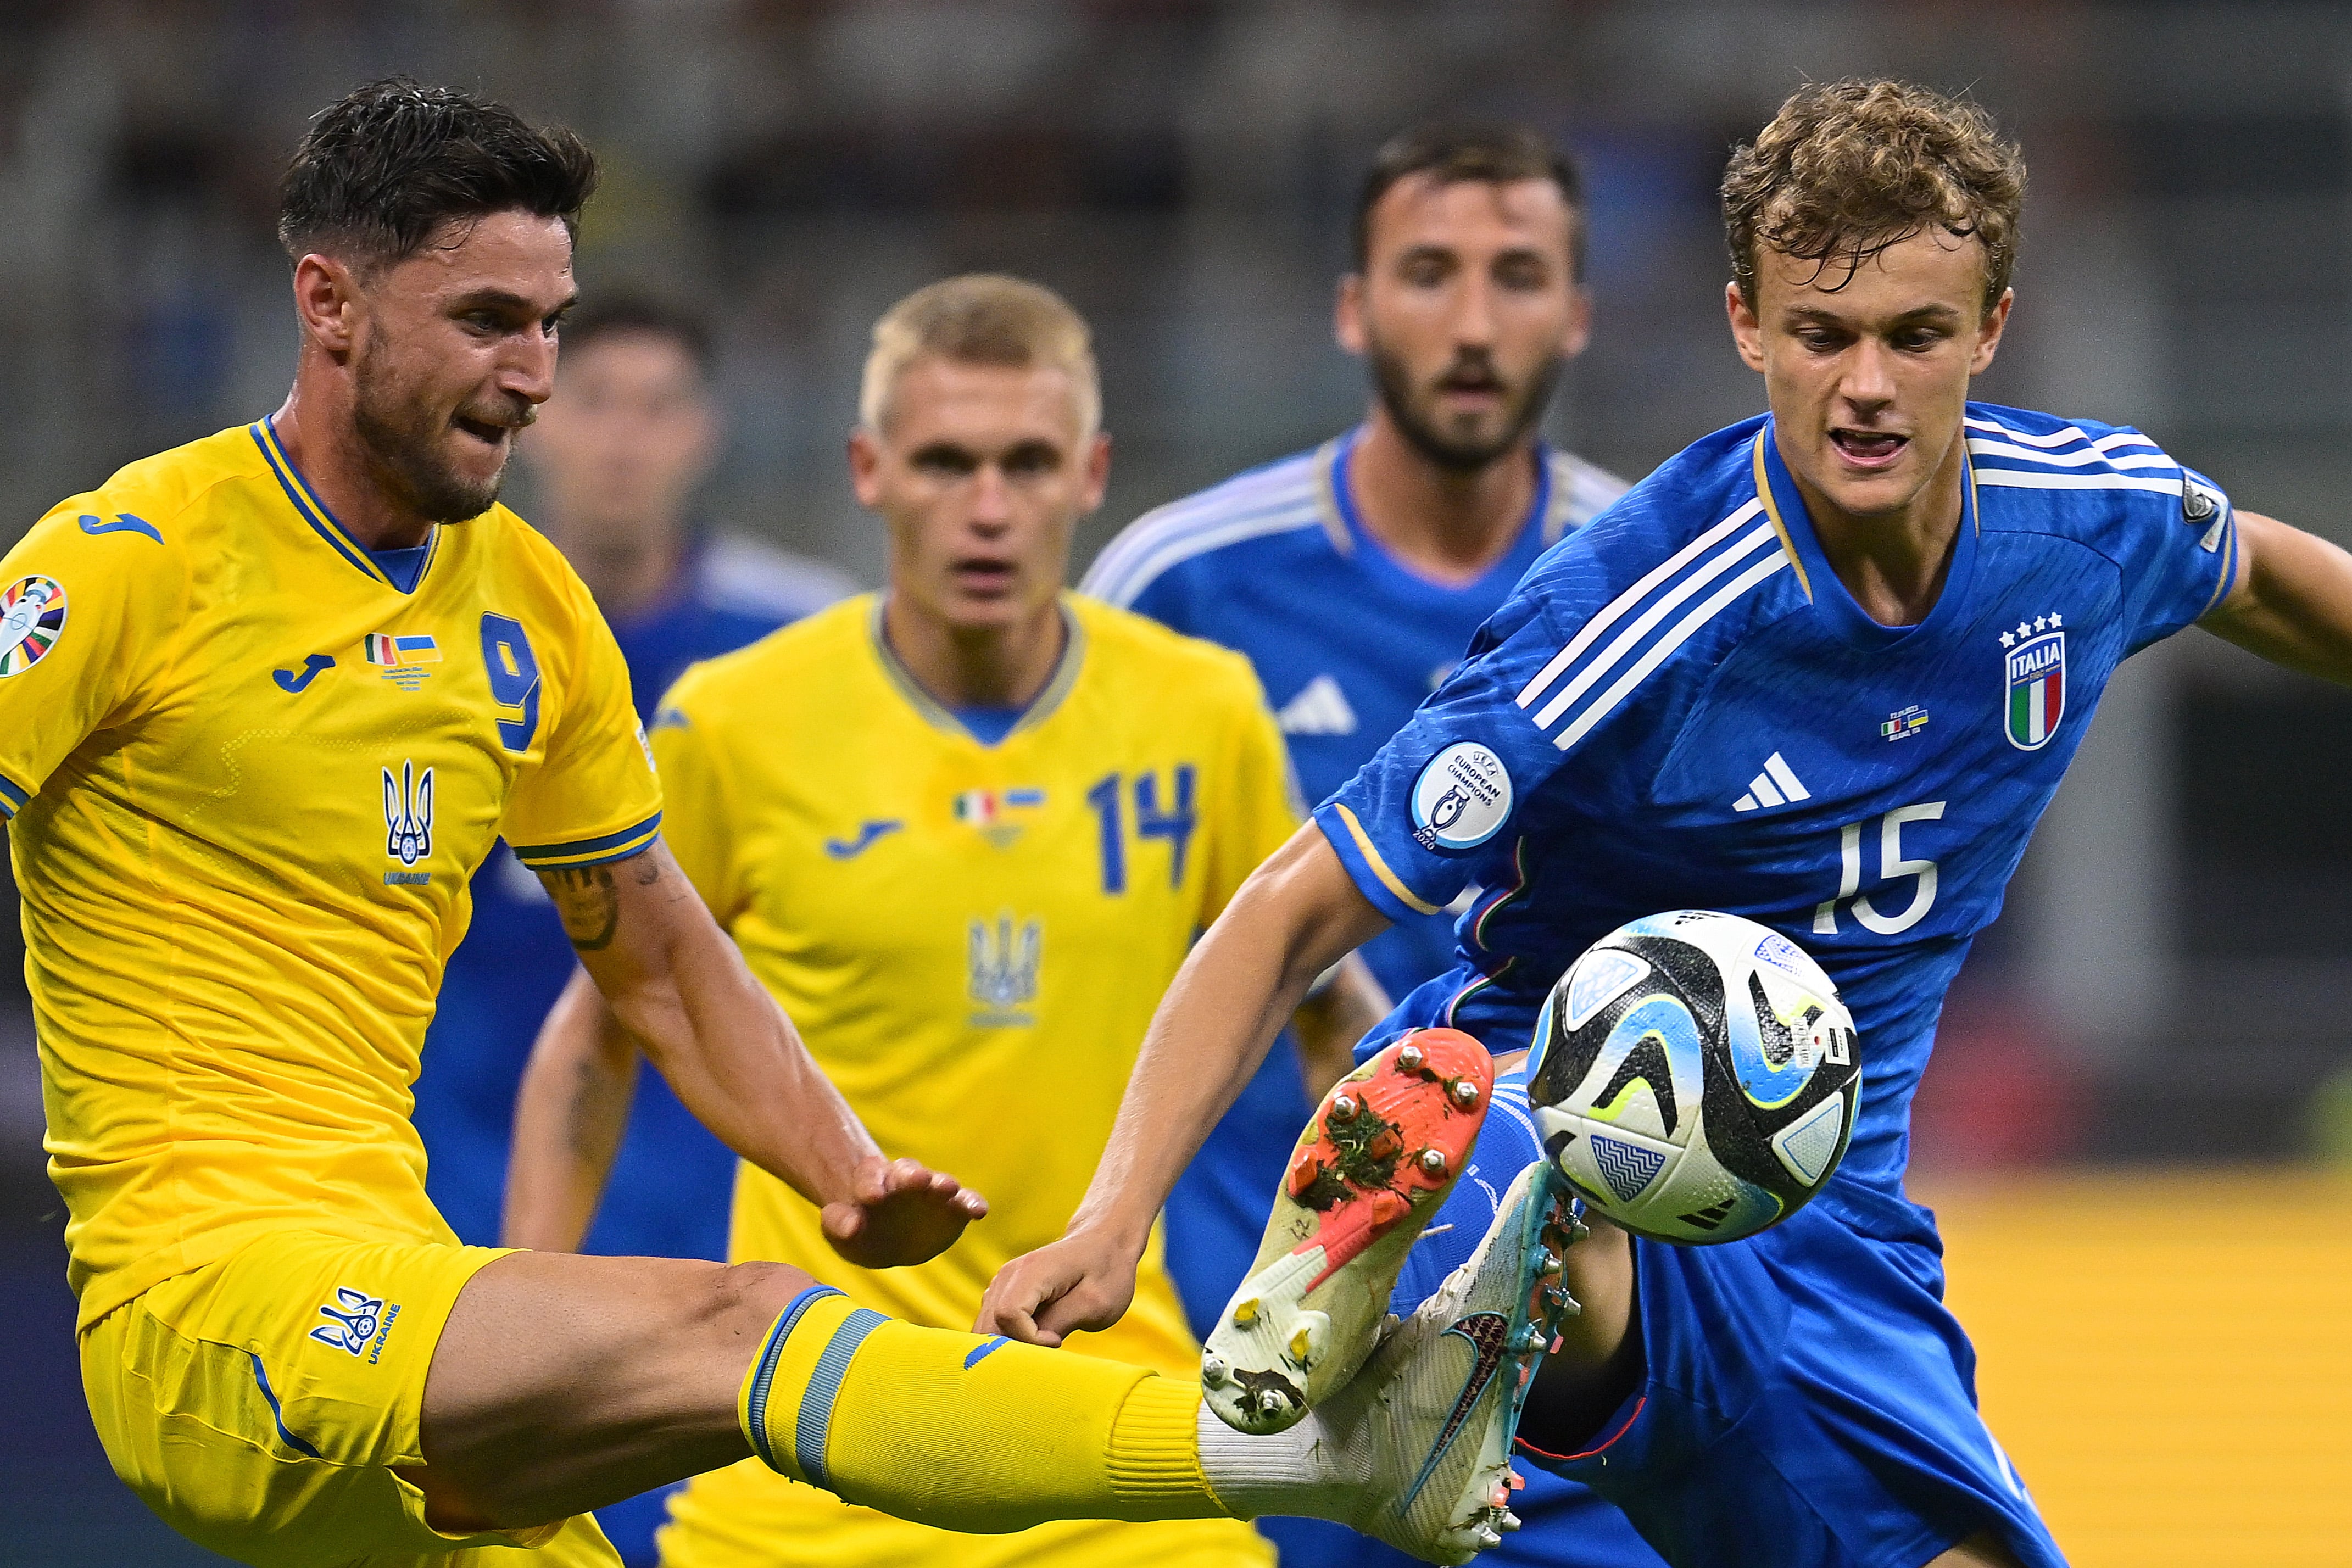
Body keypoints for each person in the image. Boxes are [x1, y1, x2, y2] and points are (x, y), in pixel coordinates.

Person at [4, 77, 1553, 1568]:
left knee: (768, 1379)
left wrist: (843, 1166)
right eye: (488, 323)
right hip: (205, 1303)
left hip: (389, 1281)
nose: (535, 377)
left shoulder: (529, 615)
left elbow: (657, 957)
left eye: (550, 323)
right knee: (750, 1329)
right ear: (328, 304)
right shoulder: (135, 560)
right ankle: (1319, 1459)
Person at [987, 77, 2352, 1568]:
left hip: (1834, 1224)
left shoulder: (2087, 523)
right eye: (1821, 336)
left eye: (1914, 336)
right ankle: (1478, 1277)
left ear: (1992, 330)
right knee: (1590, 1123)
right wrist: (1115, 1217)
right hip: (1552, 1090)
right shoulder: (1638, 606)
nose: (1866, 389)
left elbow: (2271, 579)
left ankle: (1483, 1326)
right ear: (1747, 327)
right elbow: (1293, 906)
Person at [505, 272, 1394, 1568]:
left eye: (1026, 463)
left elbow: (1326, 1018)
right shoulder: (735, 719)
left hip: (1115, 1457)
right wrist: (525, 1355)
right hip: (806, 1477)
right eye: (943, 463)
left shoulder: (1199, 710)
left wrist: (1367, 1266)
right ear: (868, 470)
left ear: (1090, 474)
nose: (986, 509)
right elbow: (600, 1033)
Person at [1082, 121, 1656, 1568]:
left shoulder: (1658, 582)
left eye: (1516, 275)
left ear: (1577, 311)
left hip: (1562, 1344)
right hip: (1259, 1344)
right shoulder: (1182, 584)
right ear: (1353, 307)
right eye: (1427, 273)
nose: (1472, 322)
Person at [410, 292, 853, 1566]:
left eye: (657, 408)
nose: (622, 441)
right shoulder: (414, 631)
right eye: (594, 404)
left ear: (704, 432)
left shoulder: (805, 647)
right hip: (447, 1205)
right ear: (538, 423)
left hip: (721, 1226)